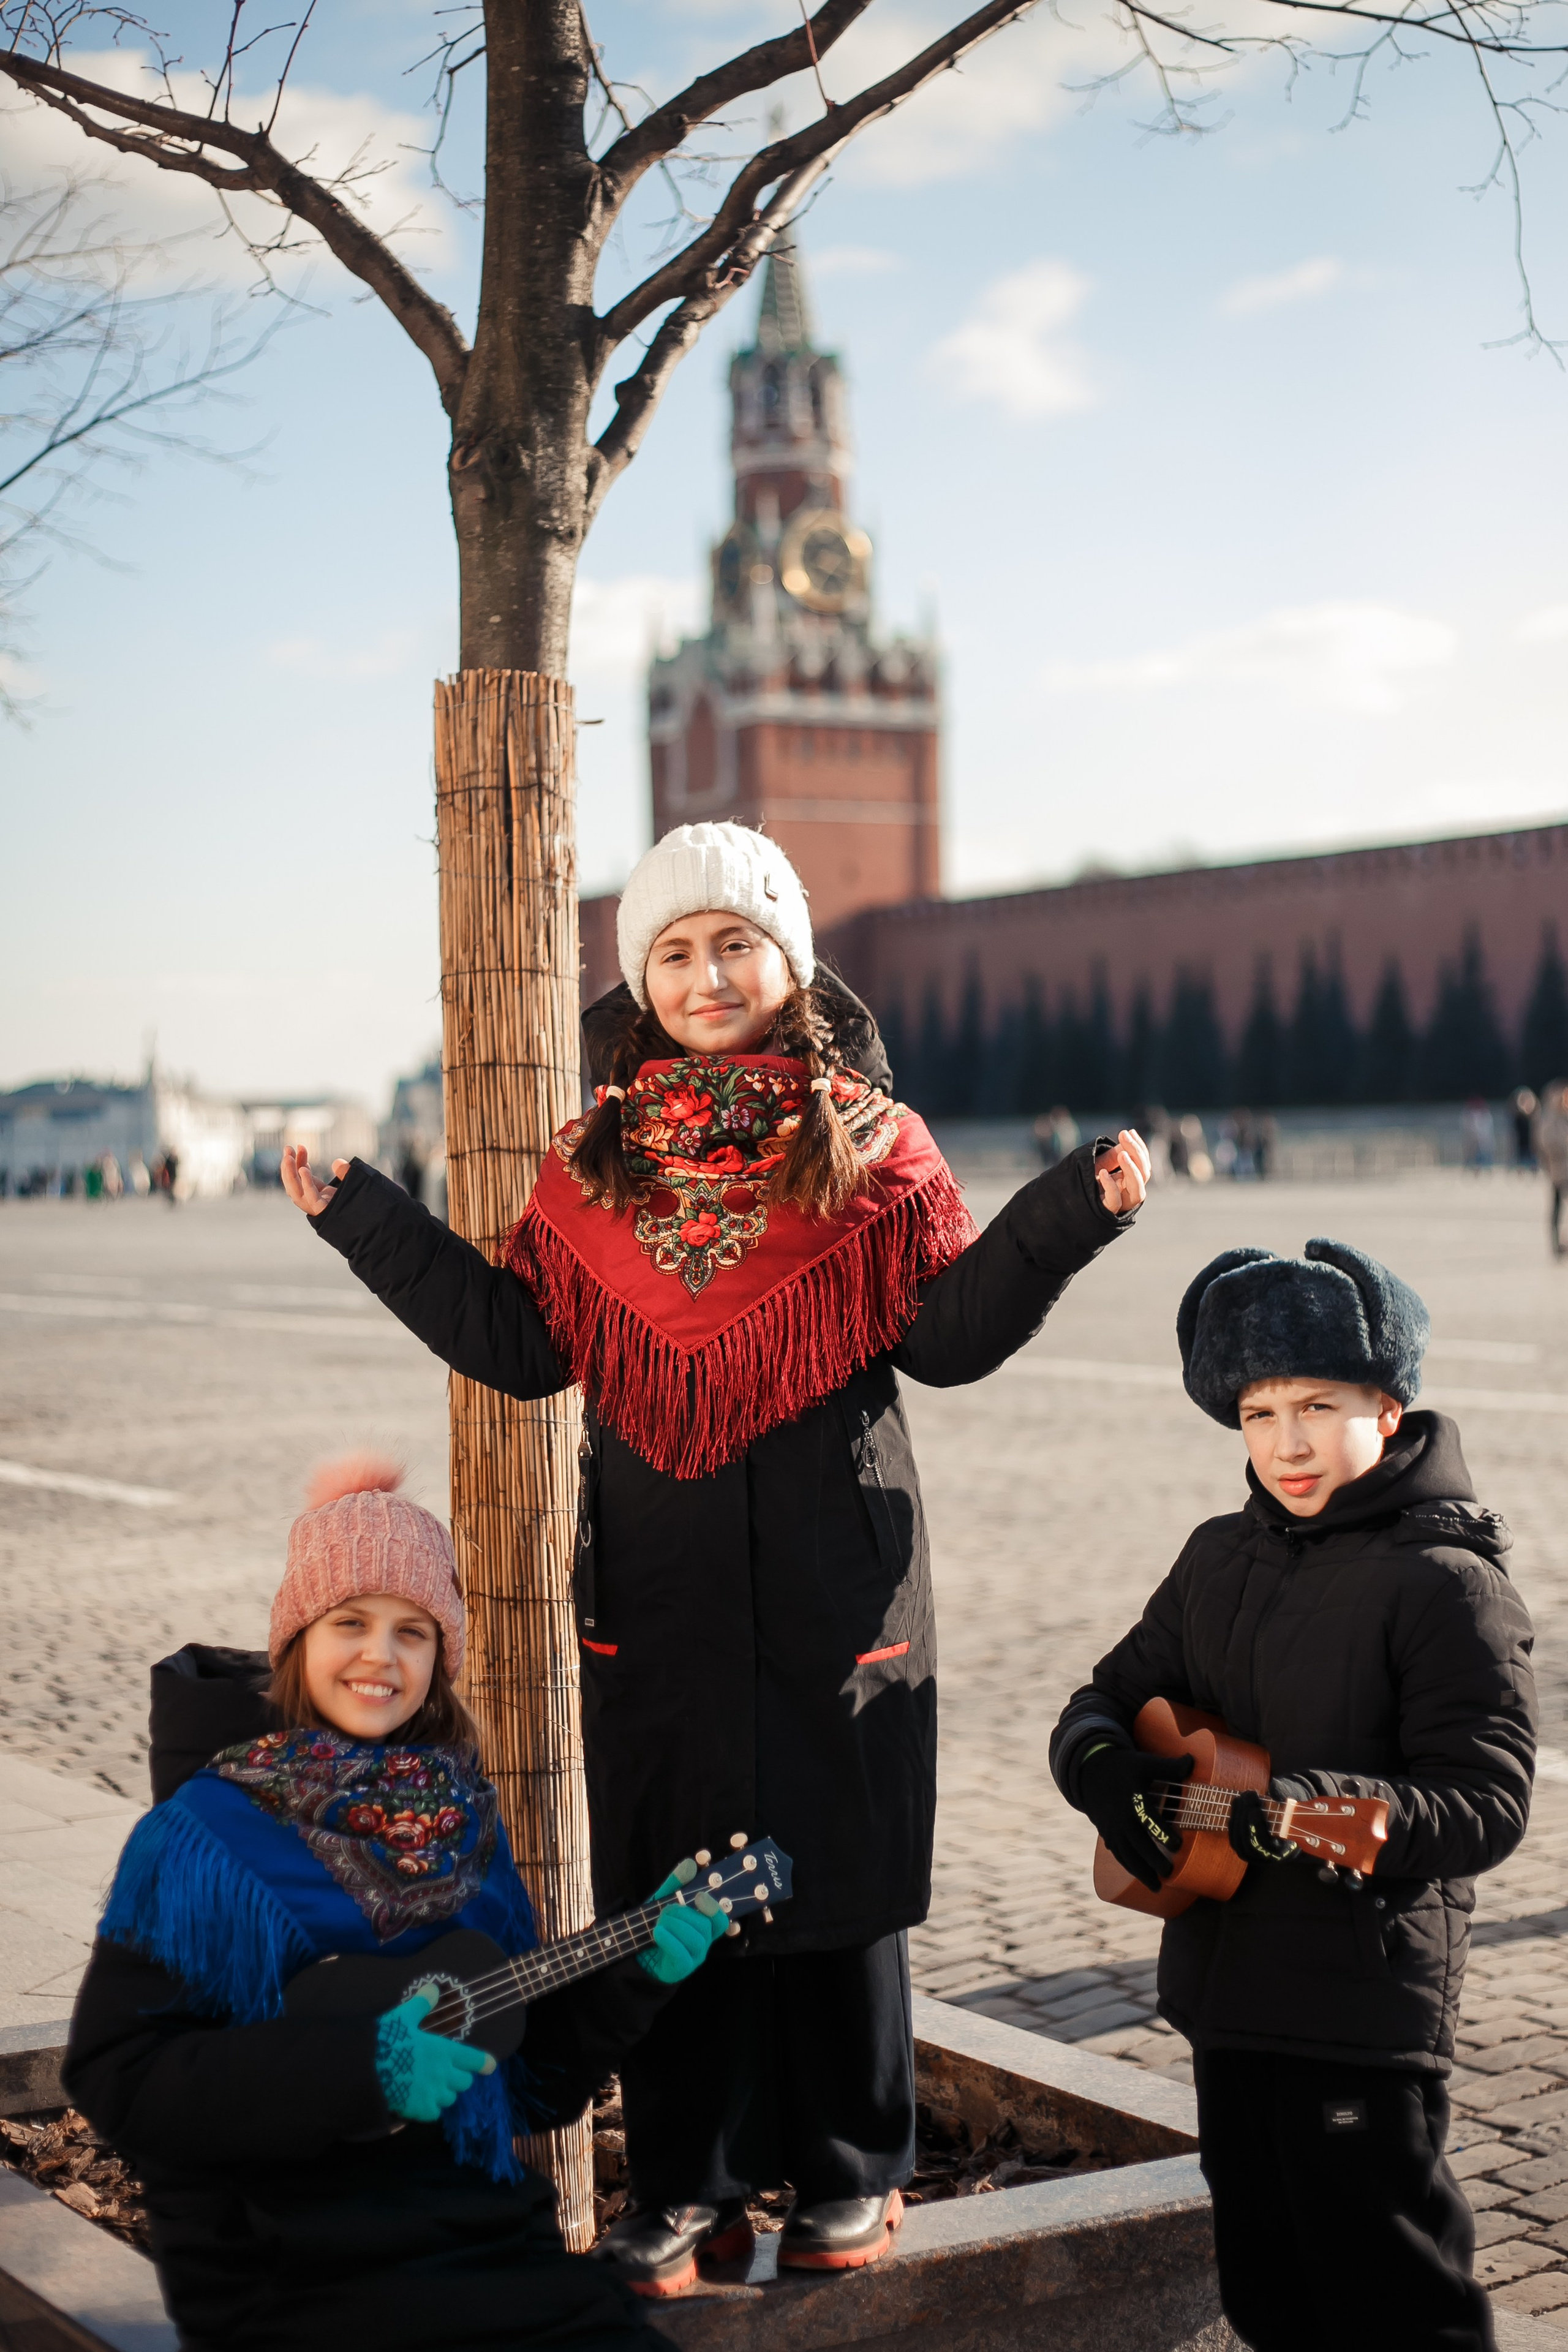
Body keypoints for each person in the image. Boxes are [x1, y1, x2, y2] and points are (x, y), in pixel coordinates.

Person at [281, 819, 1150, 2294]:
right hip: (656, 1591)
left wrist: (1067, 1214)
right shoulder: (590, 1164)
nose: (706, 975)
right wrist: (364, 1219)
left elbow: (945, 1338)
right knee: (671, 1897)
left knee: (836, 1887)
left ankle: (850, 2173)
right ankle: (687, 2188)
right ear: (640, 979)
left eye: (735, 943)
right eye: (674, 951)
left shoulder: (873, 1143)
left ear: (789, 963)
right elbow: (520, 1345)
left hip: (839, 1584)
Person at [62, 1457, 728, 2352]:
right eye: (351, 1622)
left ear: (440, 1660)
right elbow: (121, 2077)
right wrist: (362, 2069)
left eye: (413, 1632)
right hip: (286, 2265)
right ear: (297, 1641)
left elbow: (524, 2083)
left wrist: (635, 1975)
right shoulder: (204, 1836)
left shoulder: (465, 1822)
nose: (381, 1655)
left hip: (479, 2240)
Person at [1049, 1240, 1535, 2352]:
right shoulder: (1218, 1557)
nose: (1288, 1443)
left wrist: (1305, 1812)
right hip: (1224, 1997)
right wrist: (1102, 1769)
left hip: (1358, 2011)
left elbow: (1485, 1801)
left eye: (1318, 1406)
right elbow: (1103, 1700)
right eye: (1259, 1414)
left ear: (1388, 1407)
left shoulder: (1450, 1585)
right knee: (1268, 2298)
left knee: (1395, 2304)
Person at [1534, 1081, 1568, 1255]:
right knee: (1557, 1207)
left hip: (1563, 1169)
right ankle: (1557, 1243)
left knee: (1558, 1206)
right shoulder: (1550, 1118)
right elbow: (1547, 1143)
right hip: (1559, 1170)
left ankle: (1561, 1242)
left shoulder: (1562, 1117)